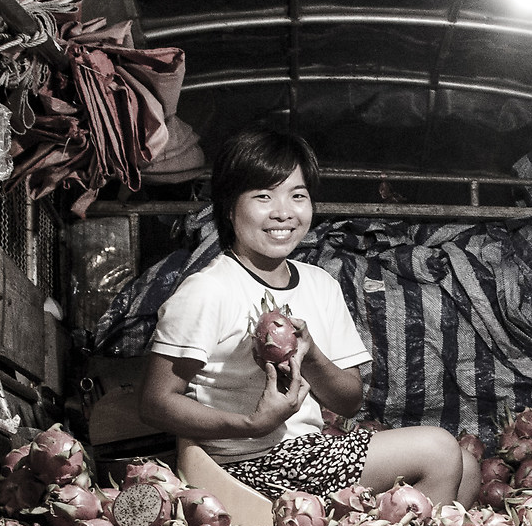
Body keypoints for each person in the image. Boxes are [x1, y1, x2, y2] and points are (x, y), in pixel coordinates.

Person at [137, 124, 467, 505]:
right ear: (228, 208)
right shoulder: (208, 290)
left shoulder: (319, 283)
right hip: (248, 464)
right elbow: (154, 402)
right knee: (440, 451)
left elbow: (348, 401)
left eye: (297, 195)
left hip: (309, 453)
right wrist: (252, 424)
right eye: (263, 196)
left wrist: (310, 356)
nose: (283, 213)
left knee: (468, 467)